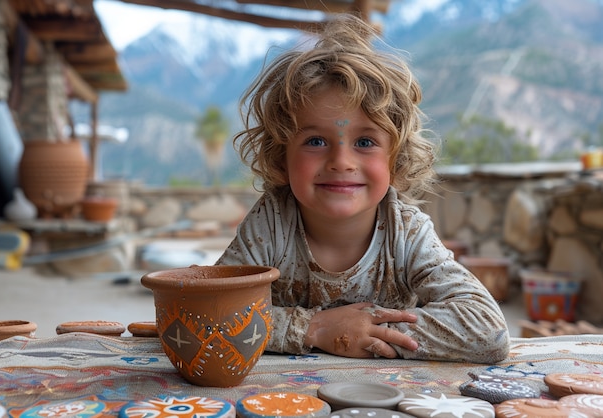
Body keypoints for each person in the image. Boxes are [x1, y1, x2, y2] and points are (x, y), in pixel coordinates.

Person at [216, 13, 510, 363]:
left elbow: (487, 331)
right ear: (281, 157)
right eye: (315, 140)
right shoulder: (272, 224)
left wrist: (367, 333)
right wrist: (316, 328)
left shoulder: (407, 234)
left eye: (366, 142)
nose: (341, 161)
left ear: (395, 160)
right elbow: (208, 313)